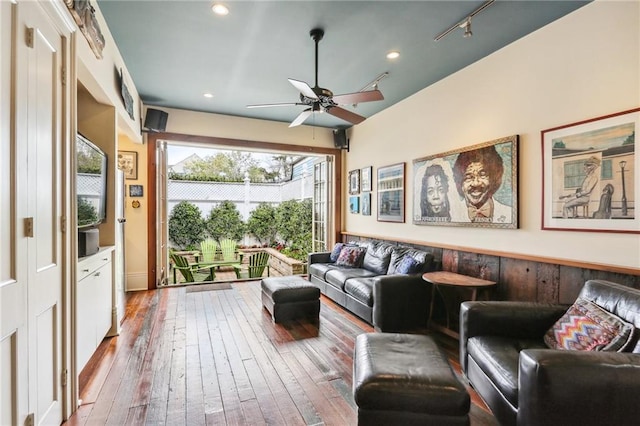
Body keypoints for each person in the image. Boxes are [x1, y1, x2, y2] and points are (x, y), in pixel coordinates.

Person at [452, 145, 511, 223]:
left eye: (482, 175)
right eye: (469, 177)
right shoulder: (452, 214)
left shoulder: (509, 213)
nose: (476, 183)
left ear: (493, 179)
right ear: (460, 183)